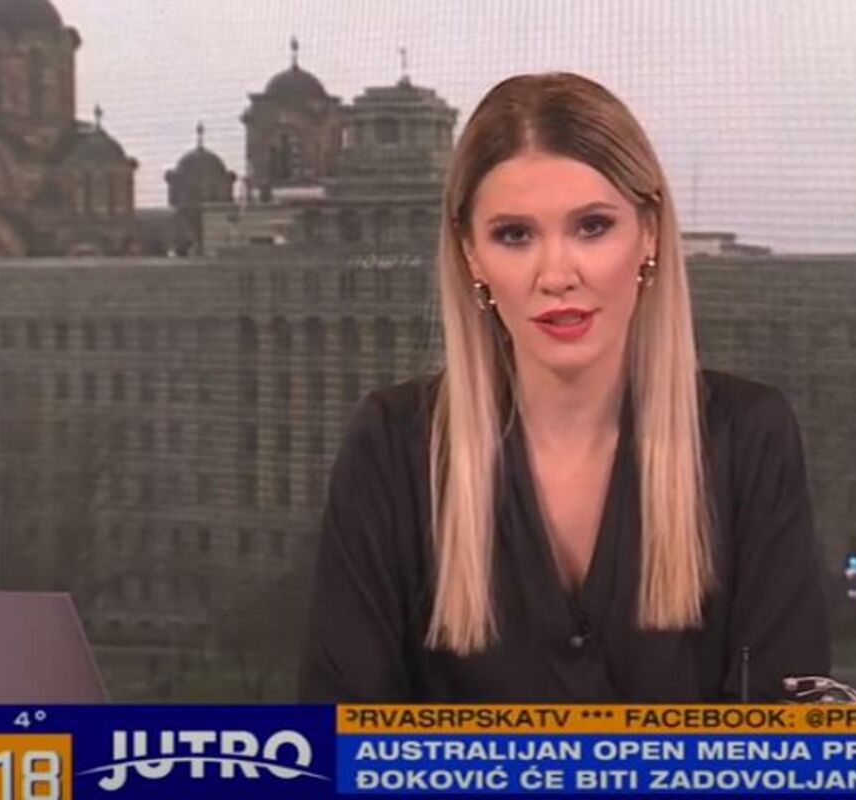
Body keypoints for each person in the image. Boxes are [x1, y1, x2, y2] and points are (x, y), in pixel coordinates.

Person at [298, 72, 829, 702]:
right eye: (514, 235)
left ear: (650, 233)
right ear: (471, 255)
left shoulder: (749, 438)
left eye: (592, 227)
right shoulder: (392, 448)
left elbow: (789, 732)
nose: (556, 275)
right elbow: (340, 737)